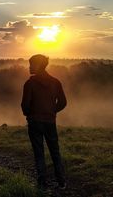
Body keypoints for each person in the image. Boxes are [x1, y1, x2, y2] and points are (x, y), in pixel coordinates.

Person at [21, 54, 67, 189]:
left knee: (39, 152)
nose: (29, 67)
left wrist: (29, 114)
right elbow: (63, 103)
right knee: (55, 151)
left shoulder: (29, 84)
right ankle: (61, 181)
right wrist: (52, 111)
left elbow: (25, 105)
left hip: (35, 122)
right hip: (50, 121)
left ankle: (42, 183)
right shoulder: (56, 82)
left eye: (31, 64)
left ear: (38, 65)